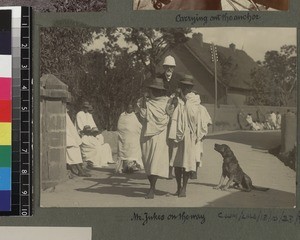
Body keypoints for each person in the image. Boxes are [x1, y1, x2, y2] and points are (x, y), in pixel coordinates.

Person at [138, 77, 174, 199]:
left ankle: (152, 188)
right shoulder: (145, 102)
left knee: (155, 162)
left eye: (158, 90)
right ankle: (151, 186)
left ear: (162, 91)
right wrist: (143, 99)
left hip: (159, 136)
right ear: (151, 90)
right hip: (146, 136)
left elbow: (172, 110)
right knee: (147, 161)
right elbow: (142, 116)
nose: (156, 92)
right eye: (154, 89)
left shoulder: (167, 102)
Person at [169, 75, 202, 197]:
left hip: (188, 134)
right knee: (177, 162)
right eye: (183, 86)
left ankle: (184, 187)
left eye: (187, 86)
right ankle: (178, 187)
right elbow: (168, 112)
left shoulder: (194, 99)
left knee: (187, 162)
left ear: (191, 87)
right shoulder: (176, 97)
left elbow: (192, 115)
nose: (185, 88)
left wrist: (182, 98)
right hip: (177, 134)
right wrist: (174, 101)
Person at [115, 102, 143, 174]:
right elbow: (119, 126)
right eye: (128, 107)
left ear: (133, 109)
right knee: (124, 153)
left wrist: (135, 130)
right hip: (123, 138)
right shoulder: (122, 115)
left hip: (133, 138)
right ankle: (124, 167)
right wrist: (125, 130)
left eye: (131, 108)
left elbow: (138, 126)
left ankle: (132, 167)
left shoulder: (135, 116)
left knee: (133, 153)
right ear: (126, 108)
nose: (129, 109)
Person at [191, 93, 212, 179]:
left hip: (198, 136)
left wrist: (204, 133)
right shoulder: (188, 107)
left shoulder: (202, 109)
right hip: (189, 134)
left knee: (197, 153)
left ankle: (194, 172)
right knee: (189, 153)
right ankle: (189, 171)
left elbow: (209, 122)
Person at [66, 110, 91, 177]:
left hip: (71, 136)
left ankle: (80, 169)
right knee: (73, 151)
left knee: (76, 151)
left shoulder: (66, 114)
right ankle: (80, 170)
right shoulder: (64, 114)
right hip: (68, 137)